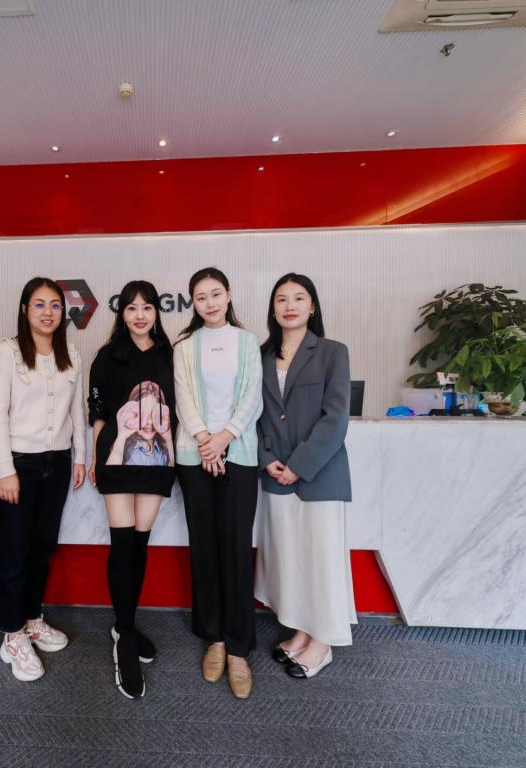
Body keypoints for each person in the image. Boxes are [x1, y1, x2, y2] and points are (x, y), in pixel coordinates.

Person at [0, 276, 87, 682]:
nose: (48, 312)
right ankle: (11, 634)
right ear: (25, 309)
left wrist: (80, 456)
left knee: (43, 547)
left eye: (55, 305)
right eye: (40, 305)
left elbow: (76, 411)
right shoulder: (8, 353)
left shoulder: (71, 354)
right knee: (14, 552)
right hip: (18, 466)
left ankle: (31, 618)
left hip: (56, 463)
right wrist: (5, 470)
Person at [255, 273, 355, 680]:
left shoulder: (332, 352)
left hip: (319, 474)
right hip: (274, 475)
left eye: (299, 298)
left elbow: (336, 418)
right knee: (290, 560)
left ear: (312, 306)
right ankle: (301, 631)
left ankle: (323, 642)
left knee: (321, 559)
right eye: (281, 299)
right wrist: (266, 459)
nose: (290, 306)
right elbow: (255, 416)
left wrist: (299, 464)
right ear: (273, 308)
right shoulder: (260, 356)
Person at [173, 267, 263, 699]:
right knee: (205, 547)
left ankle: (239, 647)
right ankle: (214, 639)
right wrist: (205, 441)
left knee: (236, 547)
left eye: (215, 294)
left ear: (228, 295)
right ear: (193, 302)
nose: (209, 303)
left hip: (239, 454)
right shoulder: (184, 347)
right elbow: (183, 399)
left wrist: (225, 437)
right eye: (200, 297)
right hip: (194, 456)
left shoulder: (248, 342)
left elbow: (253, 397)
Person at [88, 280, 176, 699]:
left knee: (140, 544)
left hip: (158, 461)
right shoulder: (107, 356)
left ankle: (125, 623)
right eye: (131, 308)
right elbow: (98, 413)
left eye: (147, 307)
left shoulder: (171, 354)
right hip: (117, 460)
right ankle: (124, 638)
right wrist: (95, 458)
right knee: (122, 544)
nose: (139, 315)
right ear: (121, 314)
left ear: (157, 312)